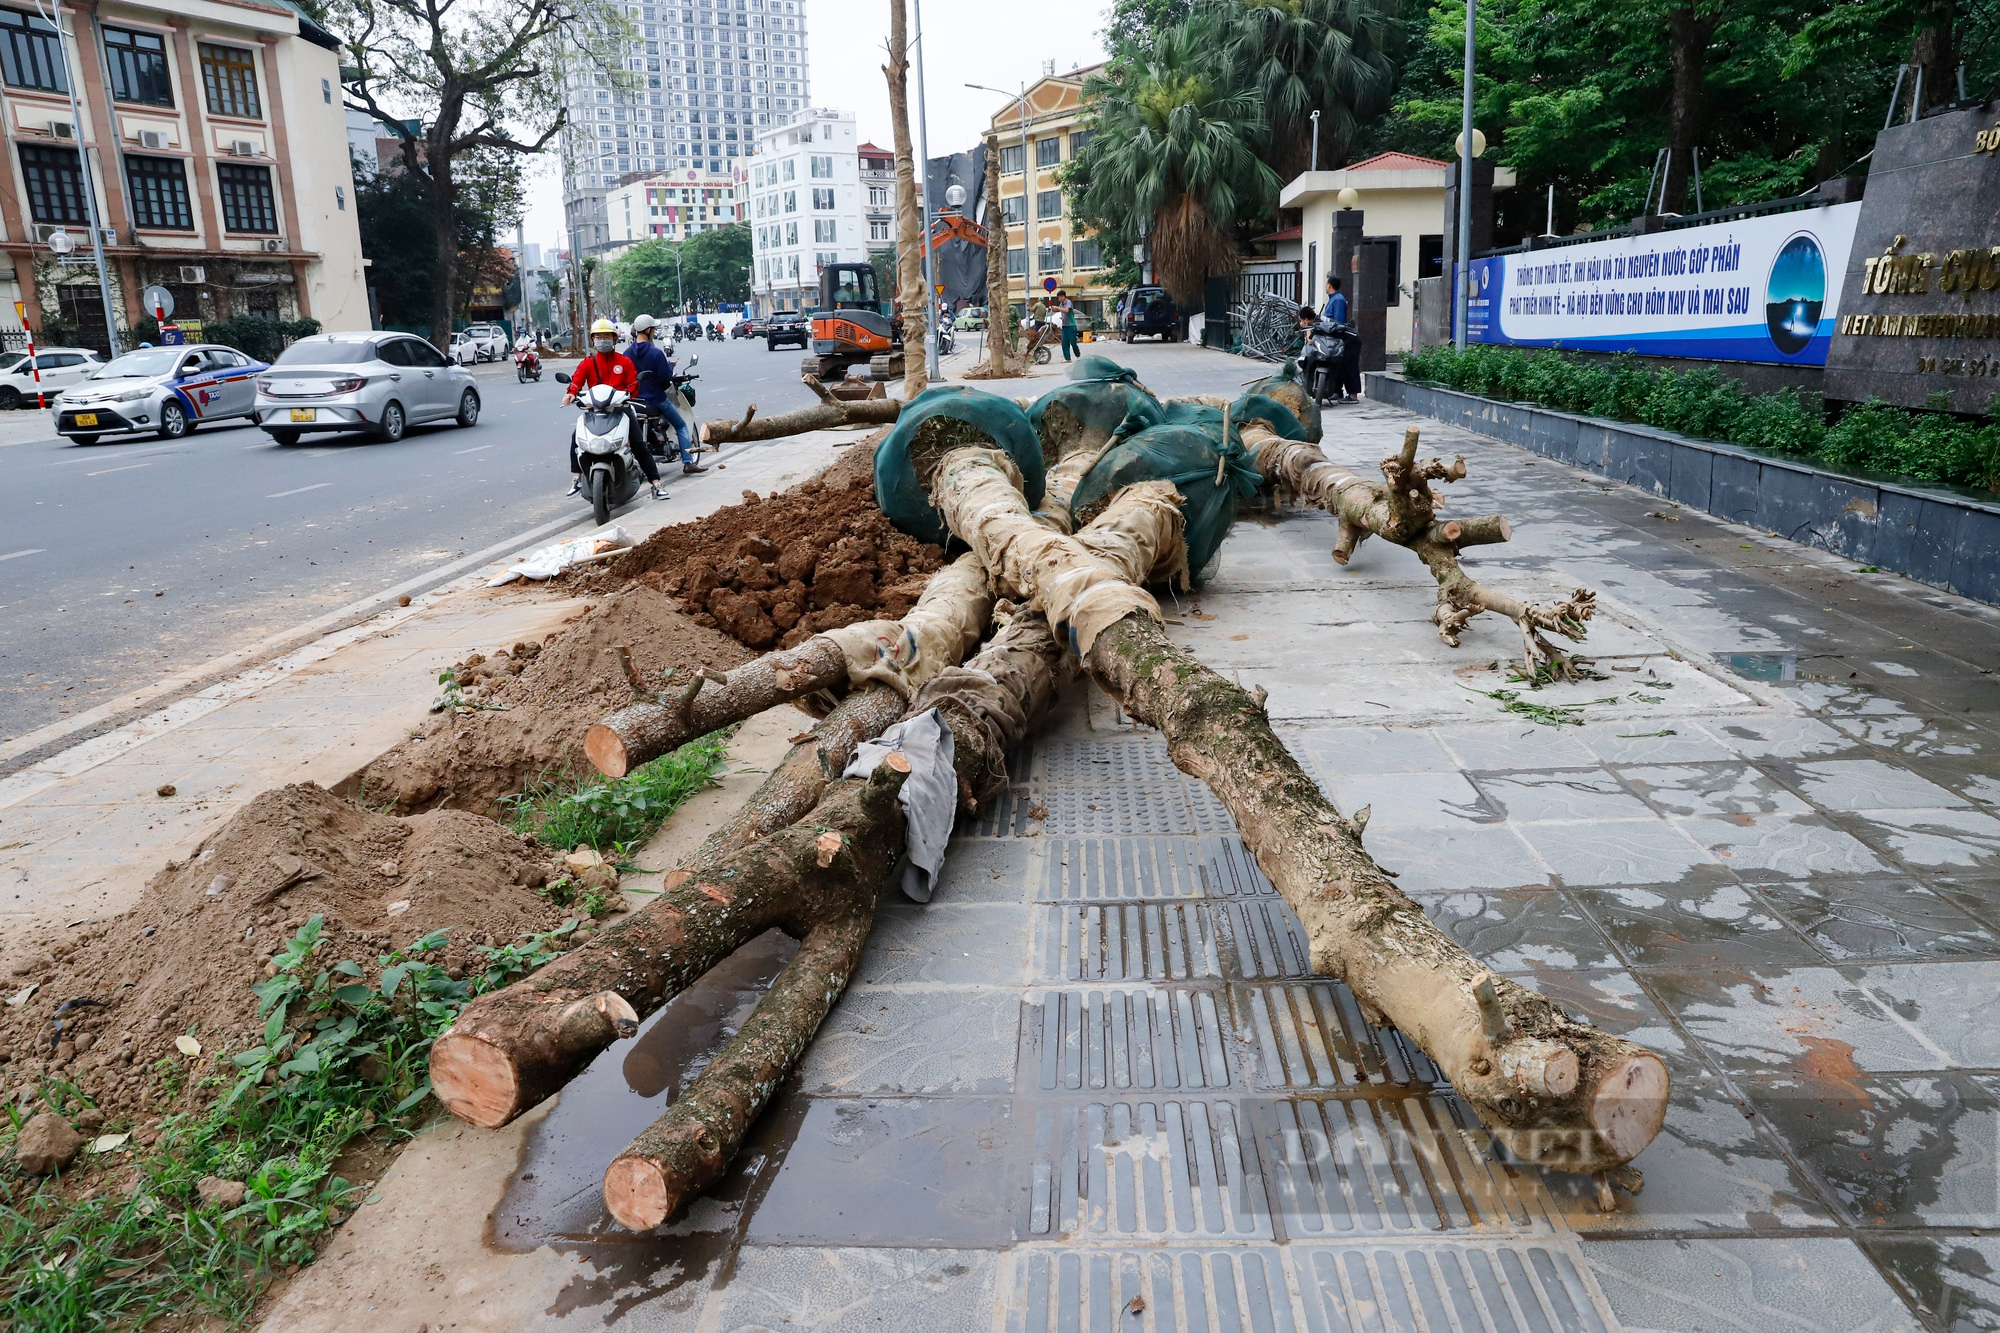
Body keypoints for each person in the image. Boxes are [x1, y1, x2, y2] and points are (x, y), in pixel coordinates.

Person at [564, 317, 667, 500]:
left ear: (614, 339)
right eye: (598, 336)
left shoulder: (624, 362)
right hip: (594, 411)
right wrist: (571, 393)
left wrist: (627, 395)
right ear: (593, 340)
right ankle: (577, 478)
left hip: (621, 410)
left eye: (607, 336)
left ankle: (656, 483)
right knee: (575, 439)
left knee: (638, 443)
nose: (602, 340)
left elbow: (633, 383)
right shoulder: (588, 363)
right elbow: (577, 381)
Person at [626, 313, 705, 475]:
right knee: (682, 426)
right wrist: (670, 366)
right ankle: (688, 463)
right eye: (653, 329)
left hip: (634, 402)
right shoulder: (656, 353)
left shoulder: (626, 354)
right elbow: (665, 380)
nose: (654, 331)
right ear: (648, 330)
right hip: (656, 400)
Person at [1054, 289, 1079, 363]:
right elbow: (1059, 310)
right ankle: (1067, 358)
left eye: (1059, 298)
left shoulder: (1068, 302)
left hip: (1071, 325)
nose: (1058, 299)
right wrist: (1053, 309)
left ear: (1063, 296)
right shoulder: (1061, 304)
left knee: (1072, 342)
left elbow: (1067, 310)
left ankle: (1078, 355)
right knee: (1064, 342)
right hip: (1064, 326)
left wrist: (1058, 308)